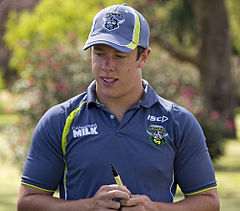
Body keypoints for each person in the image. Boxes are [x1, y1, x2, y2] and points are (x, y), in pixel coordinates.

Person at [17, 3, 220, 211]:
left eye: (119, 56)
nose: (107, 66)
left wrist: (155, 209)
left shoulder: (178, 122)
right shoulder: (59, 120)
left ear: (144, 57)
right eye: (99, 53)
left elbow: (209, 203)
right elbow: (27, 202)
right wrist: (86, 207)